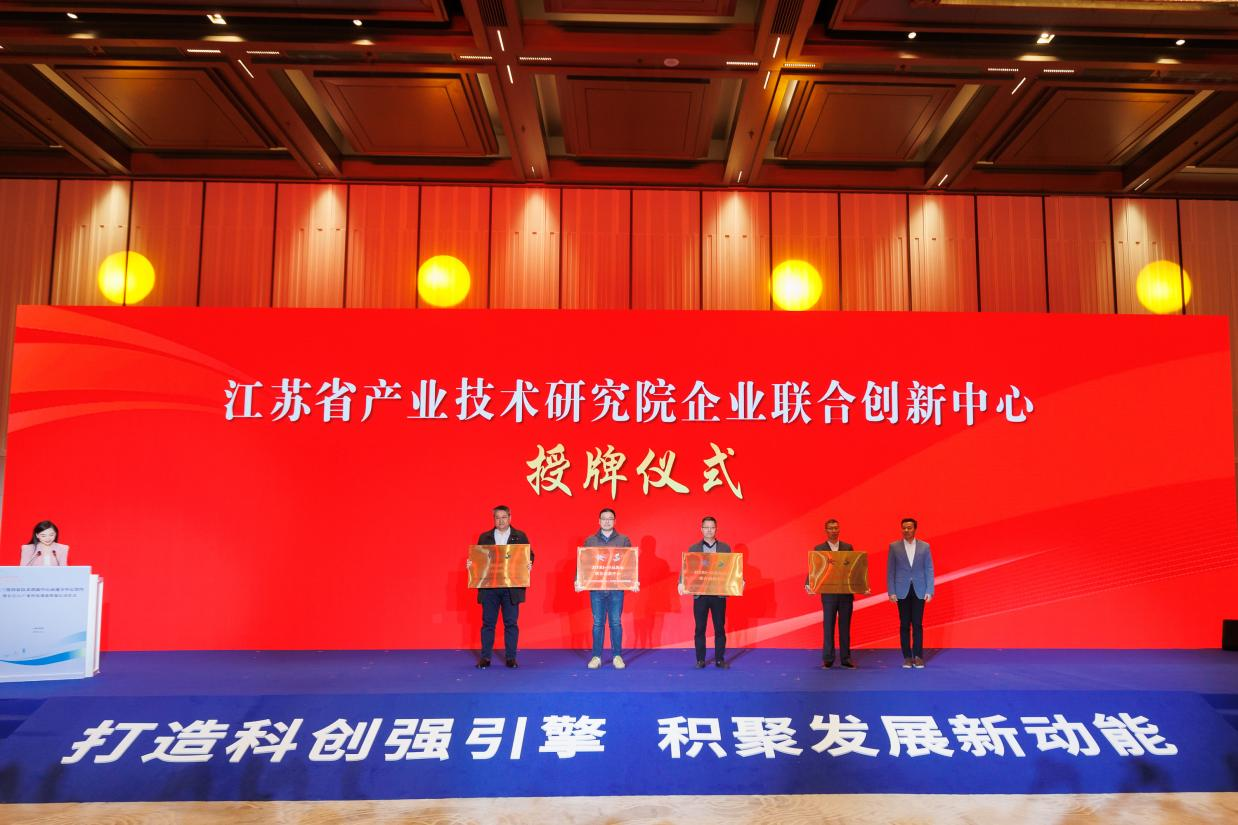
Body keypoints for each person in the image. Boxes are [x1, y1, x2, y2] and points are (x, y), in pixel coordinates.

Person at [471, 505, 531, 669]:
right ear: (494, 519)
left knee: (511, 623)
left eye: (504, 517)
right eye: (497, 518)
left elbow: (529, 555)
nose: (501, 521)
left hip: (511, 587)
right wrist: (472, 564)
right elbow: (478, 559)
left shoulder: (520, 536)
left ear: (510, 518)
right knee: (488, 623)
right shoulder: (485, 537)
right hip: (490, 587)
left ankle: (511, 658)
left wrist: (529, 564)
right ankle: (485, 658)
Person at [804, 518, 867, 669]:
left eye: (836, 528)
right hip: (829, 594)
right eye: (831, 528)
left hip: (845, 594)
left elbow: (854, 569)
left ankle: (846, 658)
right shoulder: (819, 548)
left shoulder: (847, 547)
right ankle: (828, 658)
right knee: (828, 626)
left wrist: (862, 585)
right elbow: (814, 568)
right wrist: (808, 584)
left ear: (839, 529)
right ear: (826, 531)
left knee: (845, 627)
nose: (834, 531)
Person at [582, 508, 630, 669]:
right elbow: (583, 563)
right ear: (599, 521)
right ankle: (596, 656)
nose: (607, 521)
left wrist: (632, 580)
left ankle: (617, 656)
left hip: (616, 588)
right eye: (604, 518)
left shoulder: (623, 540)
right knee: (598, 623)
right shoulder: (590, 541)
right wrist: (578, 580)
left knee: (615, 622)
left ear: (615, 521)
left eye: (610, 519)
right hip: (596, 588)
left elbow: (629, 563)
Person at [681, 515, 732, 669]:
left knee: (719, 628)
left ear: (716, 529)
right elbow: (686, 567)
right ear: (701, 529)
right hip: (700, 594)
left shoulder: (725, 548)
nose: (709, 530)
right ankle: (700, 660)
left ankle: (719, 659)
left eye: (712, 527)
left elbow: (731, 568)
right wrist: (681, 582)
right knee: (700, 628)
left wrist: (739, 580)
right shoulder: (693, 549)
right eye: (706, 527)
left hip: (719, 594)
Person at [887, 517, 934, 669]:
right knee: (904, 624)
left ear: (915, 529)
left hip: (919, 590)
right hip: (901, 590)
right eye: (904, 528)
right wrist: (891, 591)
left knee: (918, 624)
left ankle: (918, 656)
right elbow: (890, 571)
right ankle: (907, 657)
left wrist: (930, 590)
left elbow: (929, 569)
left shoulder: (925, 547)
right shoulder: (894, 547)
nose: (906, 530)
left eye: (909, 527)